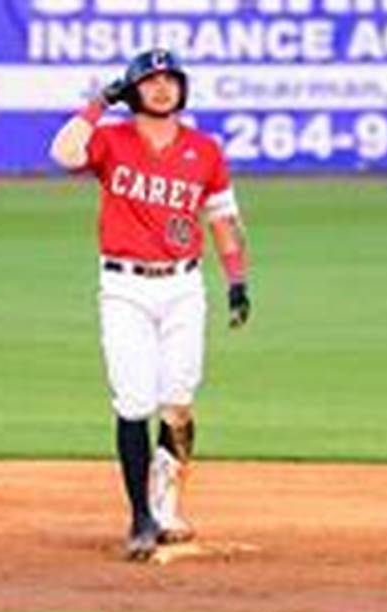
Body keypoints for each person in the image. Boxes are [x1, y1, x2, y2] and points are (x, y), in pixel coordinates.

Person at [49, 49, 253, 562]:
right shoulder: (112, 141)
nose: (162, 89)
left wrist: (237, 280)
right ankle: (140, 515)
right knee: (134, 400)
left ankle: (167, 502)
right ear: (133, 89)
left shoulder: (204, 150)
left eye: (171, 80)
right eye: (151, 80)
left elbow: (223, 220)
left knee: (178, 401)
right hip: (124, 287)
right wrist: (99, 103)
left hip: (184, 287)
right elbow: (65, 153)